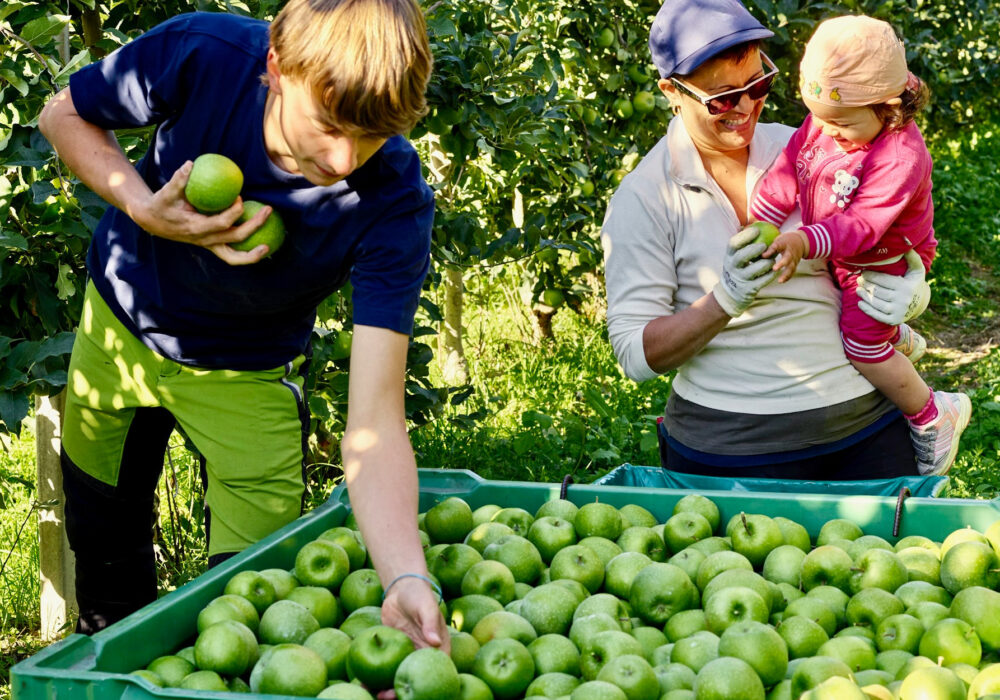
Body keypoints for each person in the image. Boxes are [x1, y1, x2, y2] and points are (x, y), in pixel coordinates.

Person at [37, 0, 448, 649]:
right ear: (277, 68)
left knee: (259, 611)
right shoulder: (208, 54)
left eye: (368, 137)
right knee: (106, 567)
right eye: (328, 124)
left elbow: (375, 421)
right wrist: (144, 208)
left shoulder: (392, 201)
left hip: (249, 372)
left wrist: (405, 575)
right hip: (119, 331)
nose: (343, 159)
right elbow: (61, 114)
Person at [601, 0, 937, 480]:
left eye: (758, 86)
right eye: (722, 98)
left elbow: (887, 225)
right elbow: (635, 354)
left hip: (863, 428)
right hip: (727, 449)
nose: (745, 108)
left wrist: (912, 288)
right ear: (671, 93)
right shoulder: (647, 196)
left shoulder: (810, 147)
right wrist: (724, 299)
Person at [750, 15, 971, 475]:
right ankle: (896, 339)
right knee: (848, 319)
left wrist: (802, 239)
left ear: (888, 107)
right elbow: (792, 165)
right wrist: (763, 217)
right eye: (819, 118)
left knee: (861, 348)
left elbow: (863, 225)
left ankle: (933, 415)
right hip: (842, 251)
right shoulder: (829, 119)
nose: (825, 132)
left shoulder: (899, 156)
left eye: (841, 124)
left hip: (885, 257)